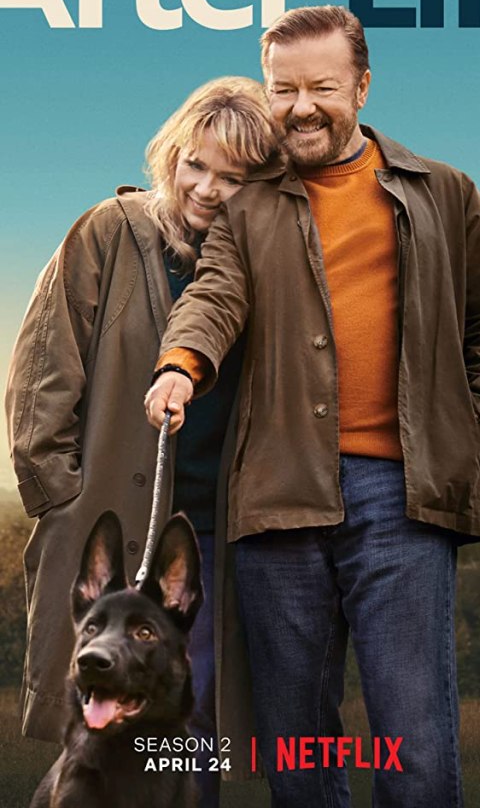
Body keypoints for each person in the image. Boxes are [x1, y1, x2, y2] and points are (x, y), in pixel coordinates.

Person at [145, 6, 480, 807]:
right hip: (281, 495)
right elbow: (212, 297)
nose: (301, 107)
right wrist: (181, 365)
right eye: (284, 90)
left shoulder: (444, 192)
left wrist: (463, 435)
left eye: (321, 87)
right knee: (298, 748)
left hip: (404, 497)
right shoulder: (248, 208)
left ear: (362, 86)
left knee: (414, 740)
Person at [5, 76, 278, 808]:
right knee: (99, 716)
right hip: (108, 522)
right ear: (171, 155)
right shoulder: (109, 231)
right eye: (196, 164)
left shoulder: (262, 260)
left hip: (213, 532)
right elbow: (42, 372)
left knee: (191, 719)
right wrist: (61, 497)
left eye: (232, 177)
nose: (207, 189)